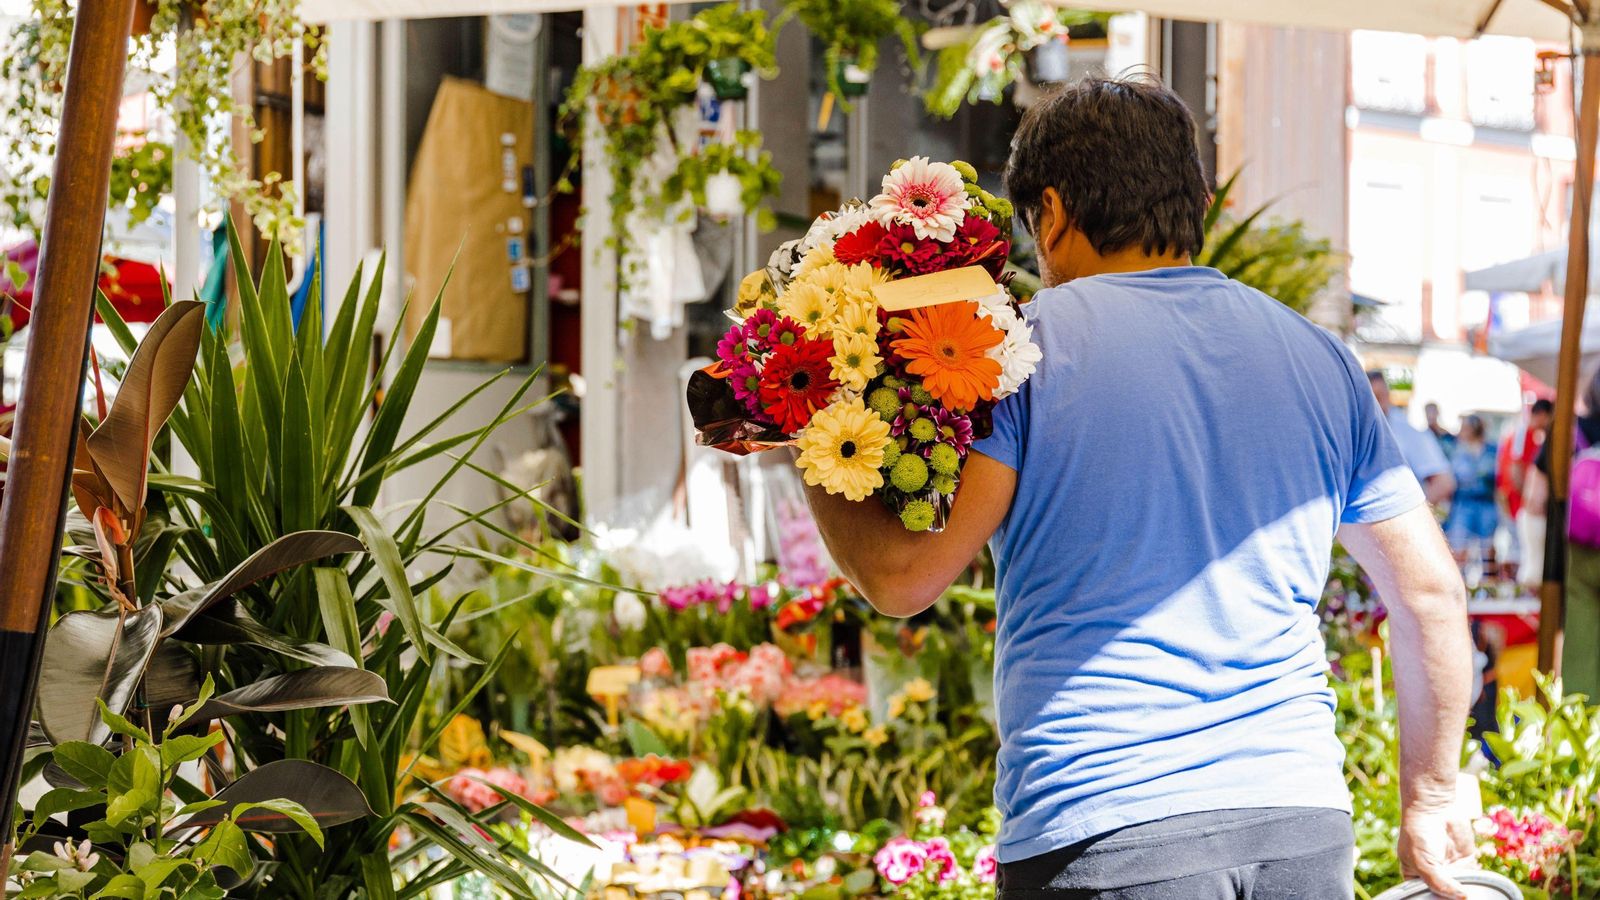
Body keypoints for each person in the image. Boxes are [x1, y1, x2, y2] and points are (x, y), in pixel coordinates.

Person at [800, 76, 1474, 899]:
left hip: (1106, 826)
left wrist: (811, 418)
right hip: (1298, 822)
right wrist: (1431, 799)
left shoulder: (1023, 353)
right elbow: (1432, 595)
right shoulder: (1320, 358)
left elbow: (905, 577)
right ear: (1194, 201)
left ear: (1051, 214)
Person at [1531, 372, 1600, 699]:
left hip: (1580, 545)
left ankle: (1582, 722)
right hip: (1580, 546)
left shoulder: (1569, 432)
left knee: (1581, 636)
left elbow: (1536, 497)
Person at [1368, 374, 1457, 506]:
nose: (1373, 405)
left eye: (1379, 397)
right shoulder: (1361, 428)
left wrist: (1411, 517)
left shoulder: (1406, 431)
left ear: (1387, 396)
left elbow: (1444, 482)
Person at [1500, 399, 1552, 584]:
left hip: (1522, 503)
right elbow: (1515, 468)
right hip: (1518, 504)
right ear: (1542, 415)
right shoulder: (1523, 432)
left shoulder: (1535, 434)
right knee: (1524, 559)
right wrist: (1528, 499)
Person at [1444, 415, 1498, 559]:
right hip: (1463, 502)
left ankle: (1487, 578)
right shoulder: (1456, 450)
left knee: (1487, 547)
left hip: (1486, 502)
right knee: (1458, 544)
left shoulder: (1492, 450)